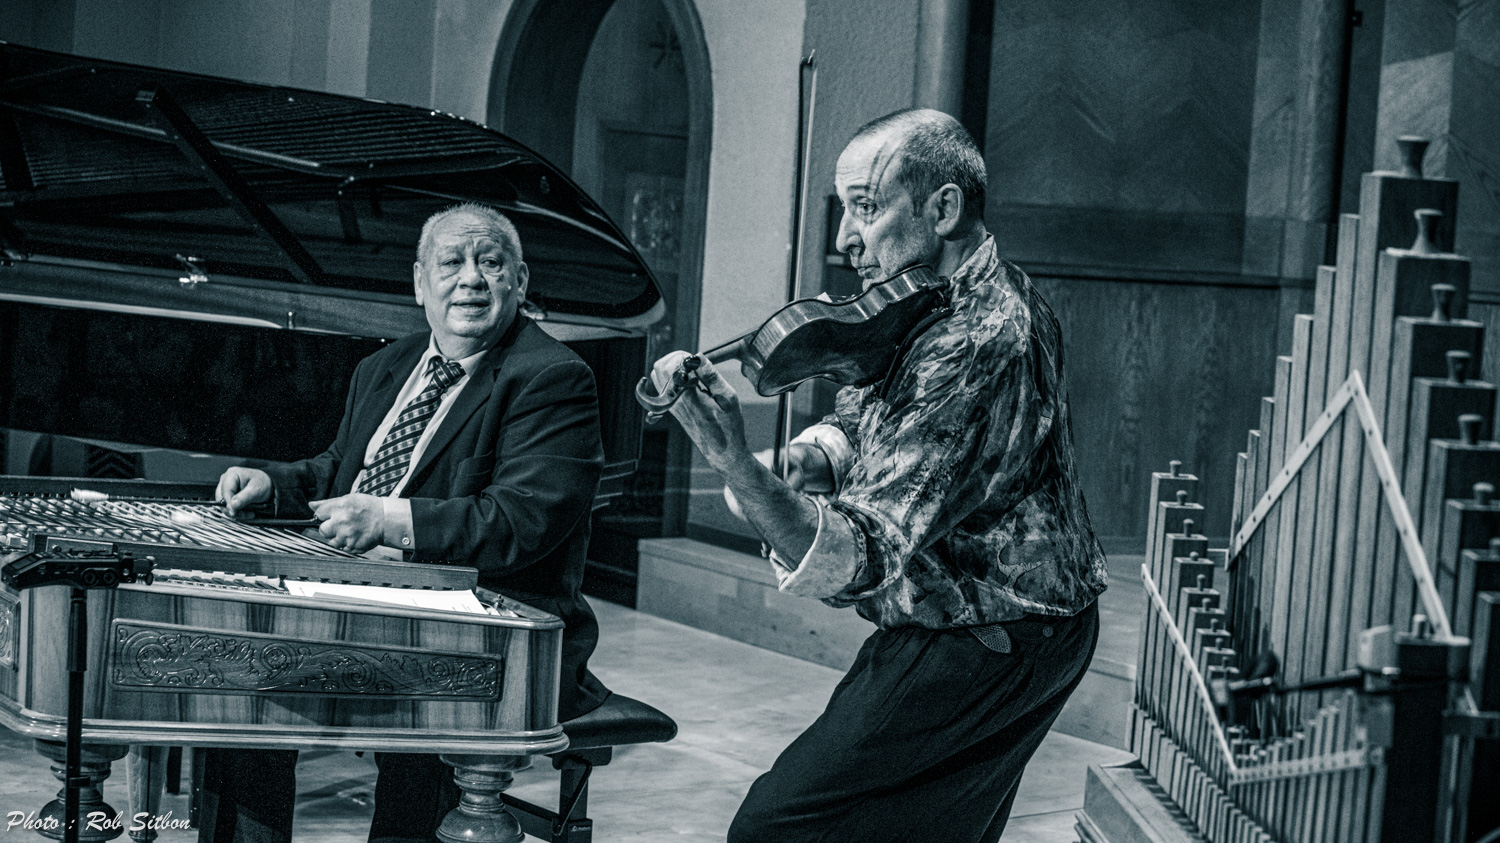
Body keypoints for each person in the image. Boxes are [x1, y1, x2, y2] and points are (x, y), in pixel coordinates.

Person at [648, 108, 1108, 842]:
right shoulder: (931, 299)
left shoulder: (979, 336)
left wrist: (734, 458)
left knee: (777, 827)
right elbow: (870, 420)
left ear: (943, 209)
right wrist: (813, 457)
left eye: (865, 207)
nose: (844, 239)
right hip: (1013, 625)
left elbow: (861, 555)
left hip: (988, 636)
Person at [199, 203, 610, 843]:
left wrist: (387, 519)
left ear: (520, 281)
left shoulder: (551, 376)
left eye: (491, 262)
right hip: (359, 595)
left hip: (487, 621)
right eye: (451, 263)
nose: (471, 279)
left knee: (422, 702)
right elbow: (341, 469)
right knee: (234, 672)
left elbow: (520, 522)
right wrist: (273, 484)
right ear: (420, 283)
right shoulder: (387, 366)